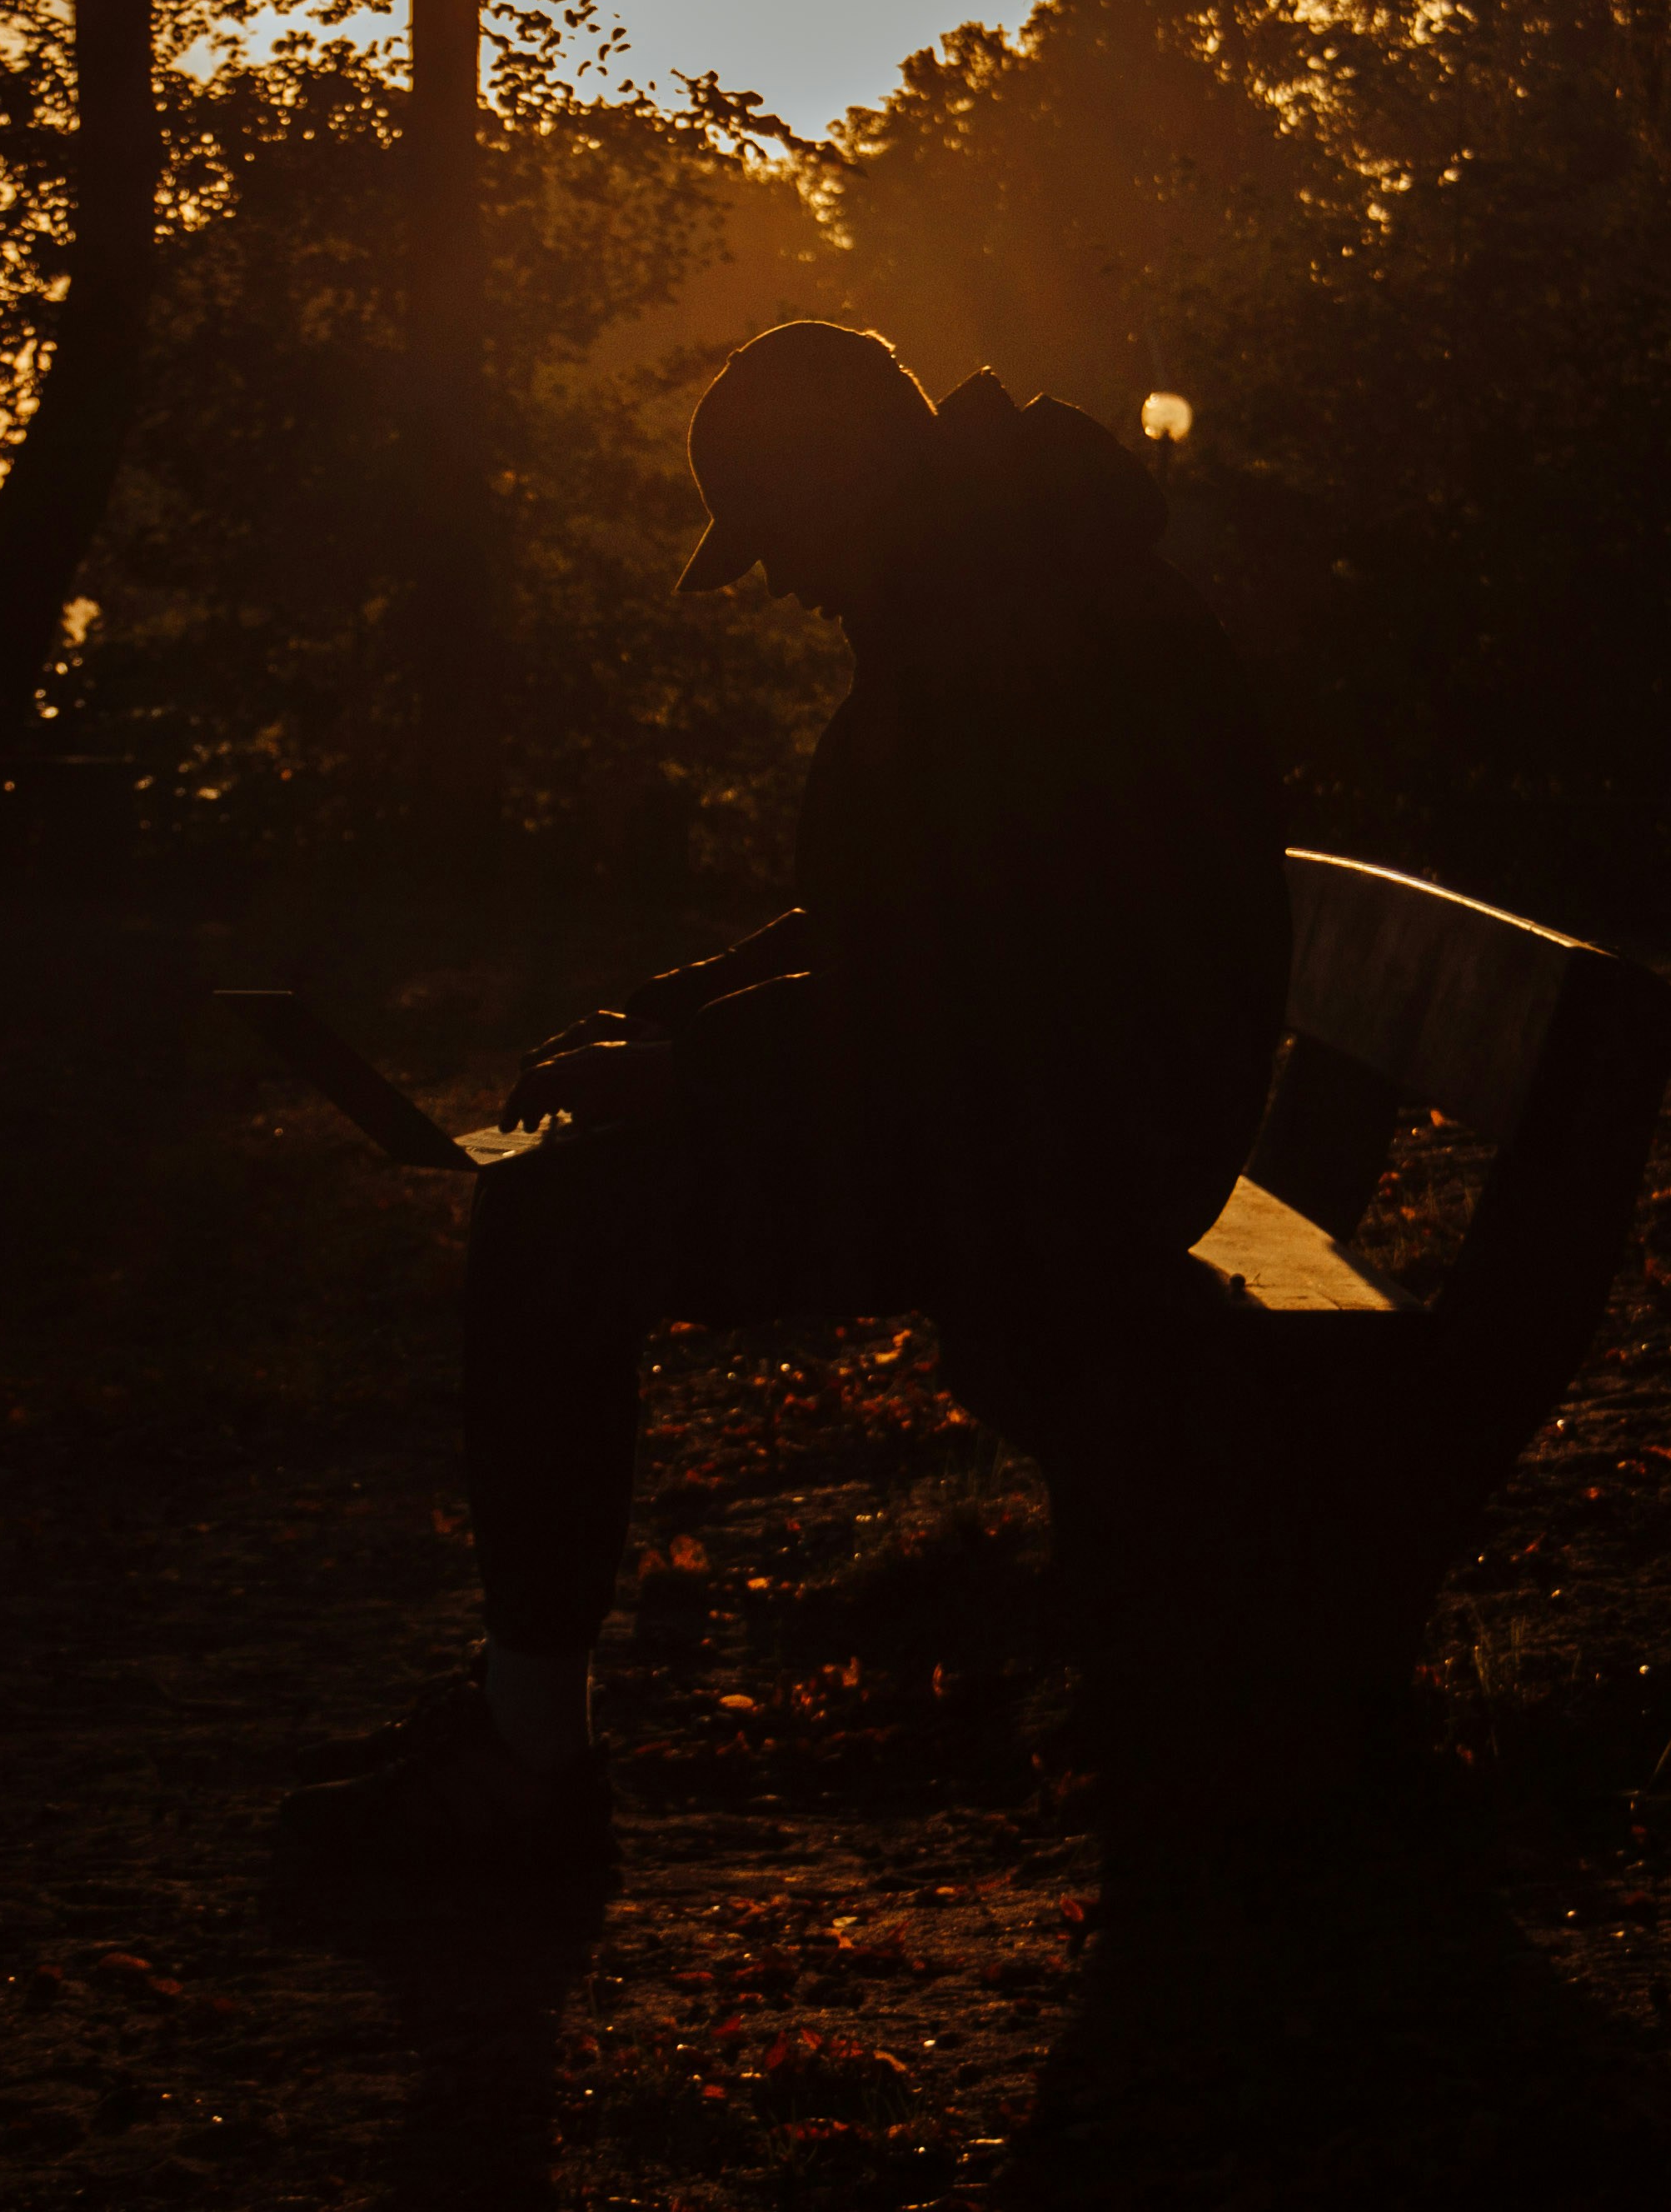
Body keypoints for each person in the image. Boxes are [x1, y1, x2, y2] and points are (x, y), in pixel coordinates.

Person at [281, 322, 1292, 1870]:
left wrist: (687, 1073)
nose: (779, 585)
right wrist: (669, 1018)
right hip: (1056, 1106)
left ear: (855, 482)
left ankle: (532, 1767)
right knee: (562, 1205)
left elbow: (973, 989)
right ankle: (523, 1724)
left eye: (776, 540)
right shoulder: (991, 589)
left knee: (558, 1233)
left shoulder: (1004, 630)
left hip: (1076, 1144)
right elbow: (906, 930)